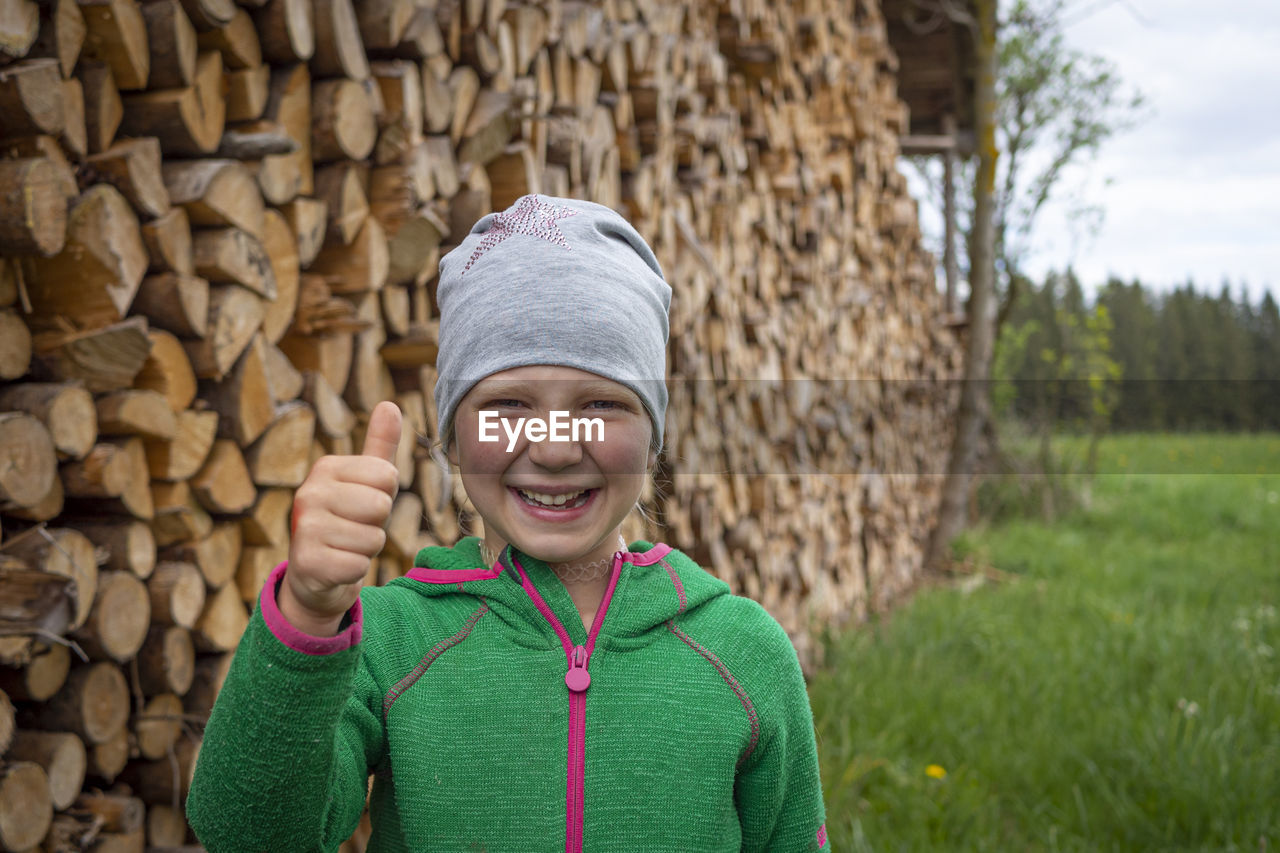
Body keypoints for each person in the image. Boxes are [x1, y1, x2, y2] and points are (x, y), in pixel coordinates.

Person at [186, 194, 829, 852]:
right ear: (453, 439)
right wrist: (307, 610)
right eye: (507, 405)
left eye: (602, 403)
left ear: (654, 437)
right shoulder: (392, 642)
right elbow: (246, 834)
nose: (552, 447)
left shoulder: (743, 652)